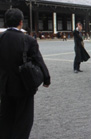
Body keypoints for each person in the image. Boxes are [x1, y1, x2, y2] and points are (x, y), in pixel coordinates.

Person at [0, 8, 51, 139]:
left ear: (6, 23)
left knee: (6, 117)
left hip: (4, 86)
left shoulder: (1, 38)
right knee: (23, 119)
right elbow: (38, 60)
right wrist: (46, 78)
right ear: (21, 22)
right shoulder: (28, 40)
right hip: (23, 85)